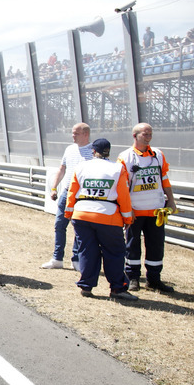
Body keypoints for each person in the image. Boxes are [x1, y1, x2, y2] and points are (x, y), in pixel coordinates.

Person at [65, 138, 137, 300]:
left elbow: (72, 191)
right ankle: (118, 289)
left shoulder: (81, 166)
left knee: (87, 250)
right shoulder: (118, 169)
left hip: (82, 213)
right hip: (108, 215)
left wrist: (69, 213)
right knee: (114, 253)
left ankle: (86, 285)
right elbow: (124, 196)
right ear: (108, 151)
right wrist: (127, 218)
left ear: (93, 151)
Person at [117, 123, 176, 293]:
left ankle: (154, 280)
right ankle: (133, 278)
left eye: (150, 133)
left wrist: (171, 200)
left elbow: (164, 179)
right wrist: (128, 209)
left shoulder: (158, 155)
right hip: (135, 211)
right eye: (145, 133)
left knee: (156, 245)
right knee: (132, 245)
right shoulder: (125, 157)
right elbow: (123, 186)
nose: (149, 136)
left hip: (156, 210)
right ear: (135, 136)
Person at [42, 123, 93, 270]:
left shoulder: (92, 151)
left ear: (85, 134)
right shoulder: (69, 149)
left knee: (79, 227)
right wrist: (54, 187)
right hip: (67, 191)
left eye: (76, 133)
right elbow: (62, 169)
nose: (73, 136)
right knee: (59, 224)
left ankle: (76, 259)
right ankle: (57, 258)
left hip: (82, 194)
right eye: (72, 133)